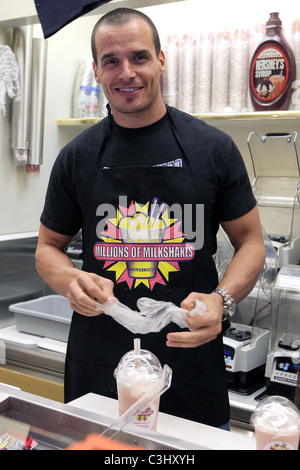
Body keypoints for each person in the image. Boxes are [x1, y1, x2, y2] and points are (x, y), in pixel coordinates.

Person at [35, 7, 265, 429]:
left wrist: (222, 299)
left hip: (189, 358)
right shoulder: (76, 158)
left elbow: (251, 241)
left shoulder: (212, 149)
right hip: (98, 364)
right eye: (112, 61)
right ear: (97, 70)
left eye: (139, 57)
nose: (127, 72)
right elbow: (48, 248)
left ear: (161, 59)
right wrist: (71, 281)